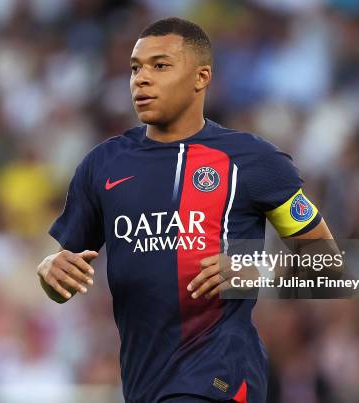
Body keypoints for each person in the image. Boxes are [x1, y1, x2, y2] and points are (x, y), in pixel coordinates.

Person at [37, 17, 334, 403]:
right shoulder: (102, 165)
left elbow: (329, 269)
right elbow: (64, 280)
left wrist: (254, 270)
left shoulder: (252, 160)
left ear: (201, 77)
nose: (141, 79)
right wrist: (49, 272)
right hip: (145, 383)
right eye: (135, 68)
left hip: (222, 376)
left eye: (160, 66)